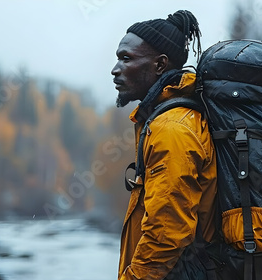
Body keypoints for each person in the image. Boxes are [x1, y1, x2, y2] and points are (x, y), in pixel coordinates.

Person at [111, 10, 217, 280]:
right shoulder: (169, 119)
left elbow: (167, 232)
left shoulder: (172, 129)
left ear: (160, 65)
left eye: (126, 58)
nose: (115, 70)